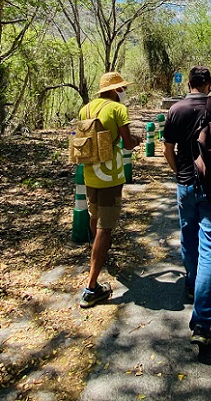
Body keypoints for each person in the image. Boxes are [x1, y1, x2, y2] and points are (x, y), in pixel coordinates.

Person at [163, 65, 211, 348]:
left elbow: (167, 151)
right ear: (208, 83)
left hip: (185, 184)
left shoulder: (176, 109)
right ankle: (202, 324)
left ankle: (191, 283)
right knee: (209, 248)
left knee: (188, 235)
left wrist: (178, 174)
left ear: (190, 84)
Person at [79, 71, 141, 308]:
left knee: (95, 218)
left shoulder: (86, 108)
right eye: (122, 88)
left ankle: (98, 253)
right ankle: (91, 287)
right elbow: (126, 142)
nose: (123, 92)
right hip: (110, 176)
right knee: (106, 228)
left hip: (89, 173)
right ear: (115, 90)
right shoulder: (118, 110)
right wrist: (137, 140)